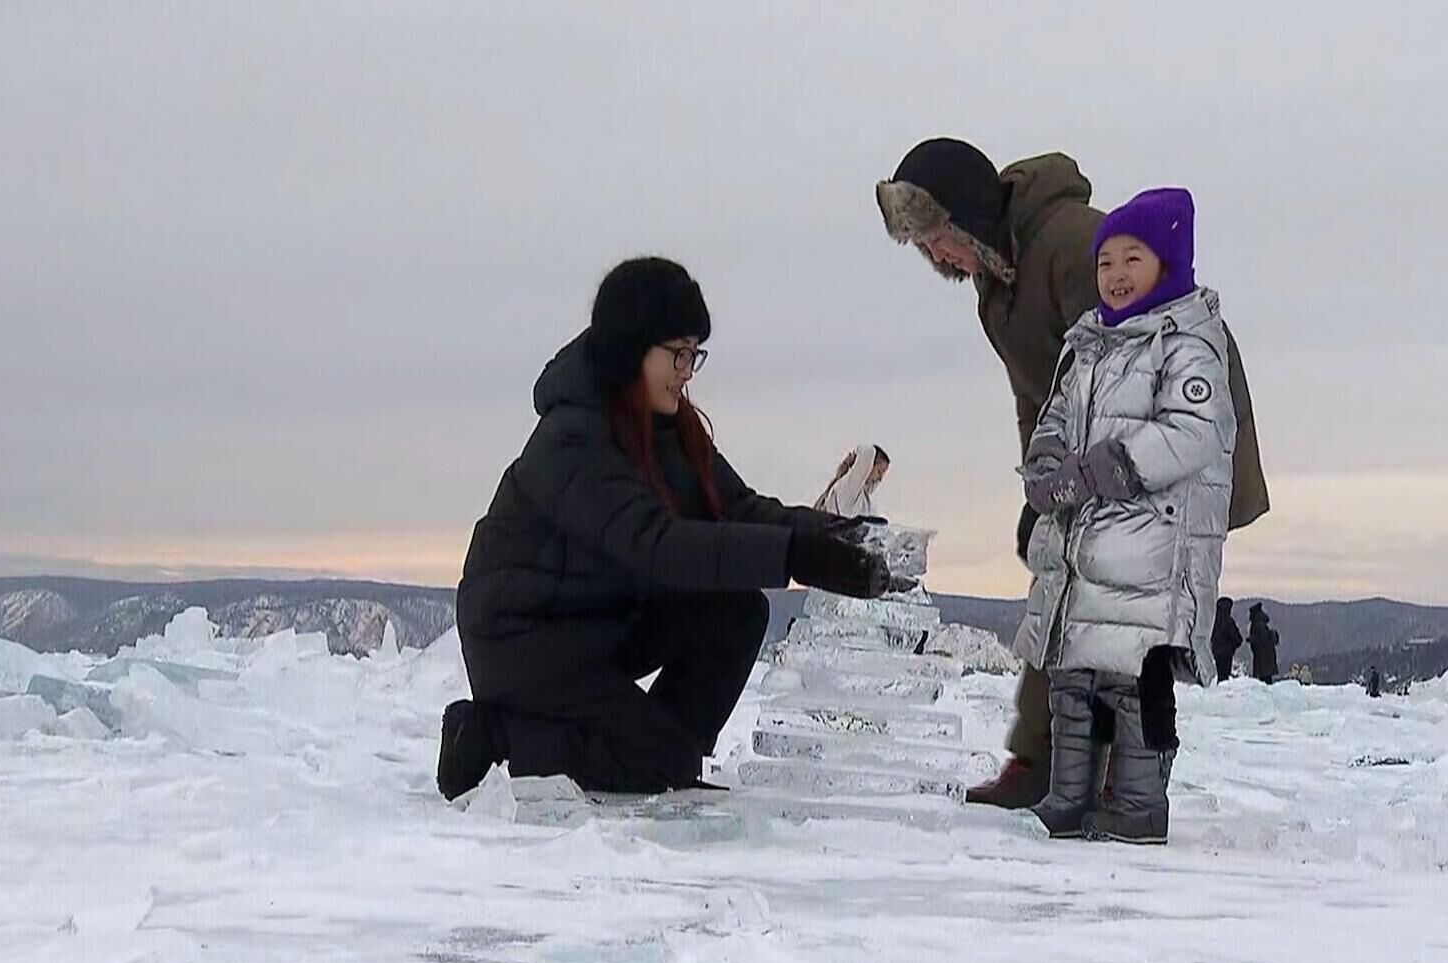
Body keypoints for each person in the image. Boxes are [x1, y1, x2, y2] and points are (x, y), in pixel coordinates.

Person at [877, 137, 1270, 810]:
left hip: (1169, 435)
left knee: (1130, 600)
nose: (936, 255)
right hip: (1095, 455)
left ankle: (1119, 772)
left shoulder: (1070, 244)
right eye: (924, 246)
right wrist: (1044, 484)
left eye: (937, 236)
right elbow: (1042, 396)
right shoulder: (996, 286)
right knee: (1061, 582)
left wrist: (1110, 475)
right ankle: (1041, 761)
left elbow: (1133, 358)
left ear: (968, 216)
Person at [439, 257, 898, 800]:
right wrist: (796, 555)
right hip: (522, 640)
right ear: (632, 348)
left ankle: (655, 756)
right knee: (660, 759)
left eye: (693, 354)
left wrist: (836, 538)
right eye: (677, 353)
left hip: (595, 621)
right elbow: (655, 546)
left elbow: (742, 510)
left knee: (737, 610)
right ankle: (495, 735)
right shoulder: (572, 439)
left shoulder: (669, 428)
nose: (687, 369)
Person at [1012, 188, 1235, 844]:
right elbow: (1054, 416)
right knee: (1073, 687)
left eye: (1131, 259)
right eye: (1105, 262)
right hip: (1083, 558)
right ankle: (1068, 796)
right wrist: (1048, 465)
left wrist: (1111, 466)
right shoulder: (1088, 346)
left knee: (1137, 692)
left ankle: (1138, 808)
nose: (1114, 275)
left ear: (1168, 263)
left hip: (1149, 559)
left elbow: (1193, 434)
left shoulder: (1188, 347)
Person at [814, 444, 890, 518]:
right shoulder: (849, 489)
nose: (880, 478)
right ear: (869, 466)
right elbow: (869, 452)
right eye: (879, 472)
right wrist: (855, 455)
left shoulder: (862, 494)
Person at [1211, 597, 1243, 682]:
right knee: (1225, 675)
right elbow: (1237, 638)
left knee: (1220, 674)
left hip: (1216, 651)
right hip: (1227, 652)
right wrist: (1233, 646)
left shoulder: (1213, 620)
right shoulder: (1229, 621)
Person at [1247, 602, 1280, 683]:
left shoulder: (1257, 624)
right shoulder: (1260, 623)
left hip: (1263, 657)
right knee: (1266, 678)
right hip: (1266, 656)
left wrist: (1253, 639)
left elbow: (1263, 640)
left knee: (1265, 679)